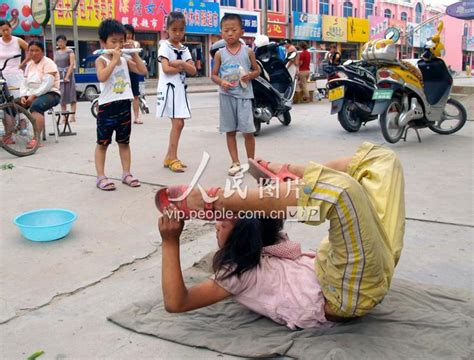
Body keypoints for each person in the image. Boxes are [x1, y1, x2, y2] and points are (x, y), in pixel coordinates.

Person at [157, 142, 405, 328]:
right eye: (222, 219)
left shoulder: (271, 244)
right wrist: (170, 242)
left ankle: (287, 174)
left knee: (383, 160)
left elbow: (275, 211)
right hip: (346, 295)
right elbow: (177, 302)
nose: (216, 226)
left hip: (353, 267)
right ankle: (220, 199)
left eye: (223, 219)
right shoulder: (240, 272)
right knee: (341, 193)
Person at [94, 19, 148, 191]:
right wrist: (114, 60)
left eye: (121, 41)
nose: (118, 45)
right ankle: (101, 176)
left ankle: (126, 173)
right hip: (106, 107)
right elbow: (102, 76)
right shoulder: (101, 59)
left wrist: (133, 53)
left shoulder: (125, 59)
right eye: (113, 42)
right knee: (102, 143)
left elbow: (142, 71)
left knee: (124, 142)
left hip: (124, 105)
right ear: (103, 42)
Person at [211, 14, 260, 176]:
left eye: (234, 30)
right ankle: (235, 162)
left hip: (244, 96)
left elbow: (257, 70)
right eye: (226, 30)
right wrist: (221, 82)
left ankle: (251, 162)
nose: (230, 33)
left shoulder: (248, 51)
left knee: (248, 132)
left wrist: (249, 76)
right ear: (221, 33)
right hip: (226, 96)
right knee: (230, 131)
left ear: (241, 32)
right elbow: (214, 75)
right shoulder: (219, 54)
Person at [156, 12, 197, 173]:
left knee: (180, 124)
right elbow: (166, 69)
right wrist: (183, 66)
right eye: (174, 30)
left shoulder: (184, 49)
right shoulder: (164, 46)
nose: (178, 33)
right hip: (169, 89)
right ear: (167, 29)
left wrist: (179, 63)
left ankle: (169, 156)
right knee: (178, 124)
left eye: (181, 29)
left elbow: (193, 70)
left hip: (180, 89)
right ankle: (173, 157)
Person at [20, 41, 61, 149]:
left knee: (36, 106)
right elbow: (24, 82)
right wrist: (23, 96)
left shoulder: (48, 63)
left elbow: (47, 84)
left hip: (51, 93)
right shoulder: (29, 65)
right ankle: (8, 136)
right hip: (31, 94)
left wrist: (34, 96)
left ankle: (36, 139)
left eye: (36, 50)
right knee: (12, 106)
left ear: (42, 52)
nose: (33, 53)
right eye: (31, 51)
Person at [0, 20, 29, 145]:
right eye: (2, 30)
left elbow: (31, 50)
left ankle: (23, 126)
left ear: (11, 28)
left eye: (7, 29)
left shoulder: (18, 40)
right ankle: (8, 134)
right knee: (5, 104)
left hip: (16, 75)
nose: (6, 32)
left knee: (18, 102)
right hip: (2, 75)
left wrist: (23, 63)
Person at [54, 35, 77, 123]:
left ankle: (72, 116)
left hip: (68, 75)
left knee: (72, 95)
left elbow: (72, 64)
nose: (60, 43)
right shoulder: (56, 52)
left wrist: (67, 76)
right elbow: (54, 64)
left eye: (62, 41)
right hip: (59, 76)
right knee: (62, 96)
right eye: (58, 41)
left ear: (65, 42)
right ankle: (64, 117)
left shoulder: (70, 51)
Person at [124, 24, 143, 125]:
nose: (128, 35)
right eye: (126, 33)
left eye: (130, 33)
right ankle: (125, 117)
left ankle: (136, 117)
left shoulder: (136, 43)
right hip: (123, 72)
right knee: (124, 95)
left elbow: (135, 55)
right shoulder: (120, 43)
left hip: (133, 71)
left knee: (135, 95)